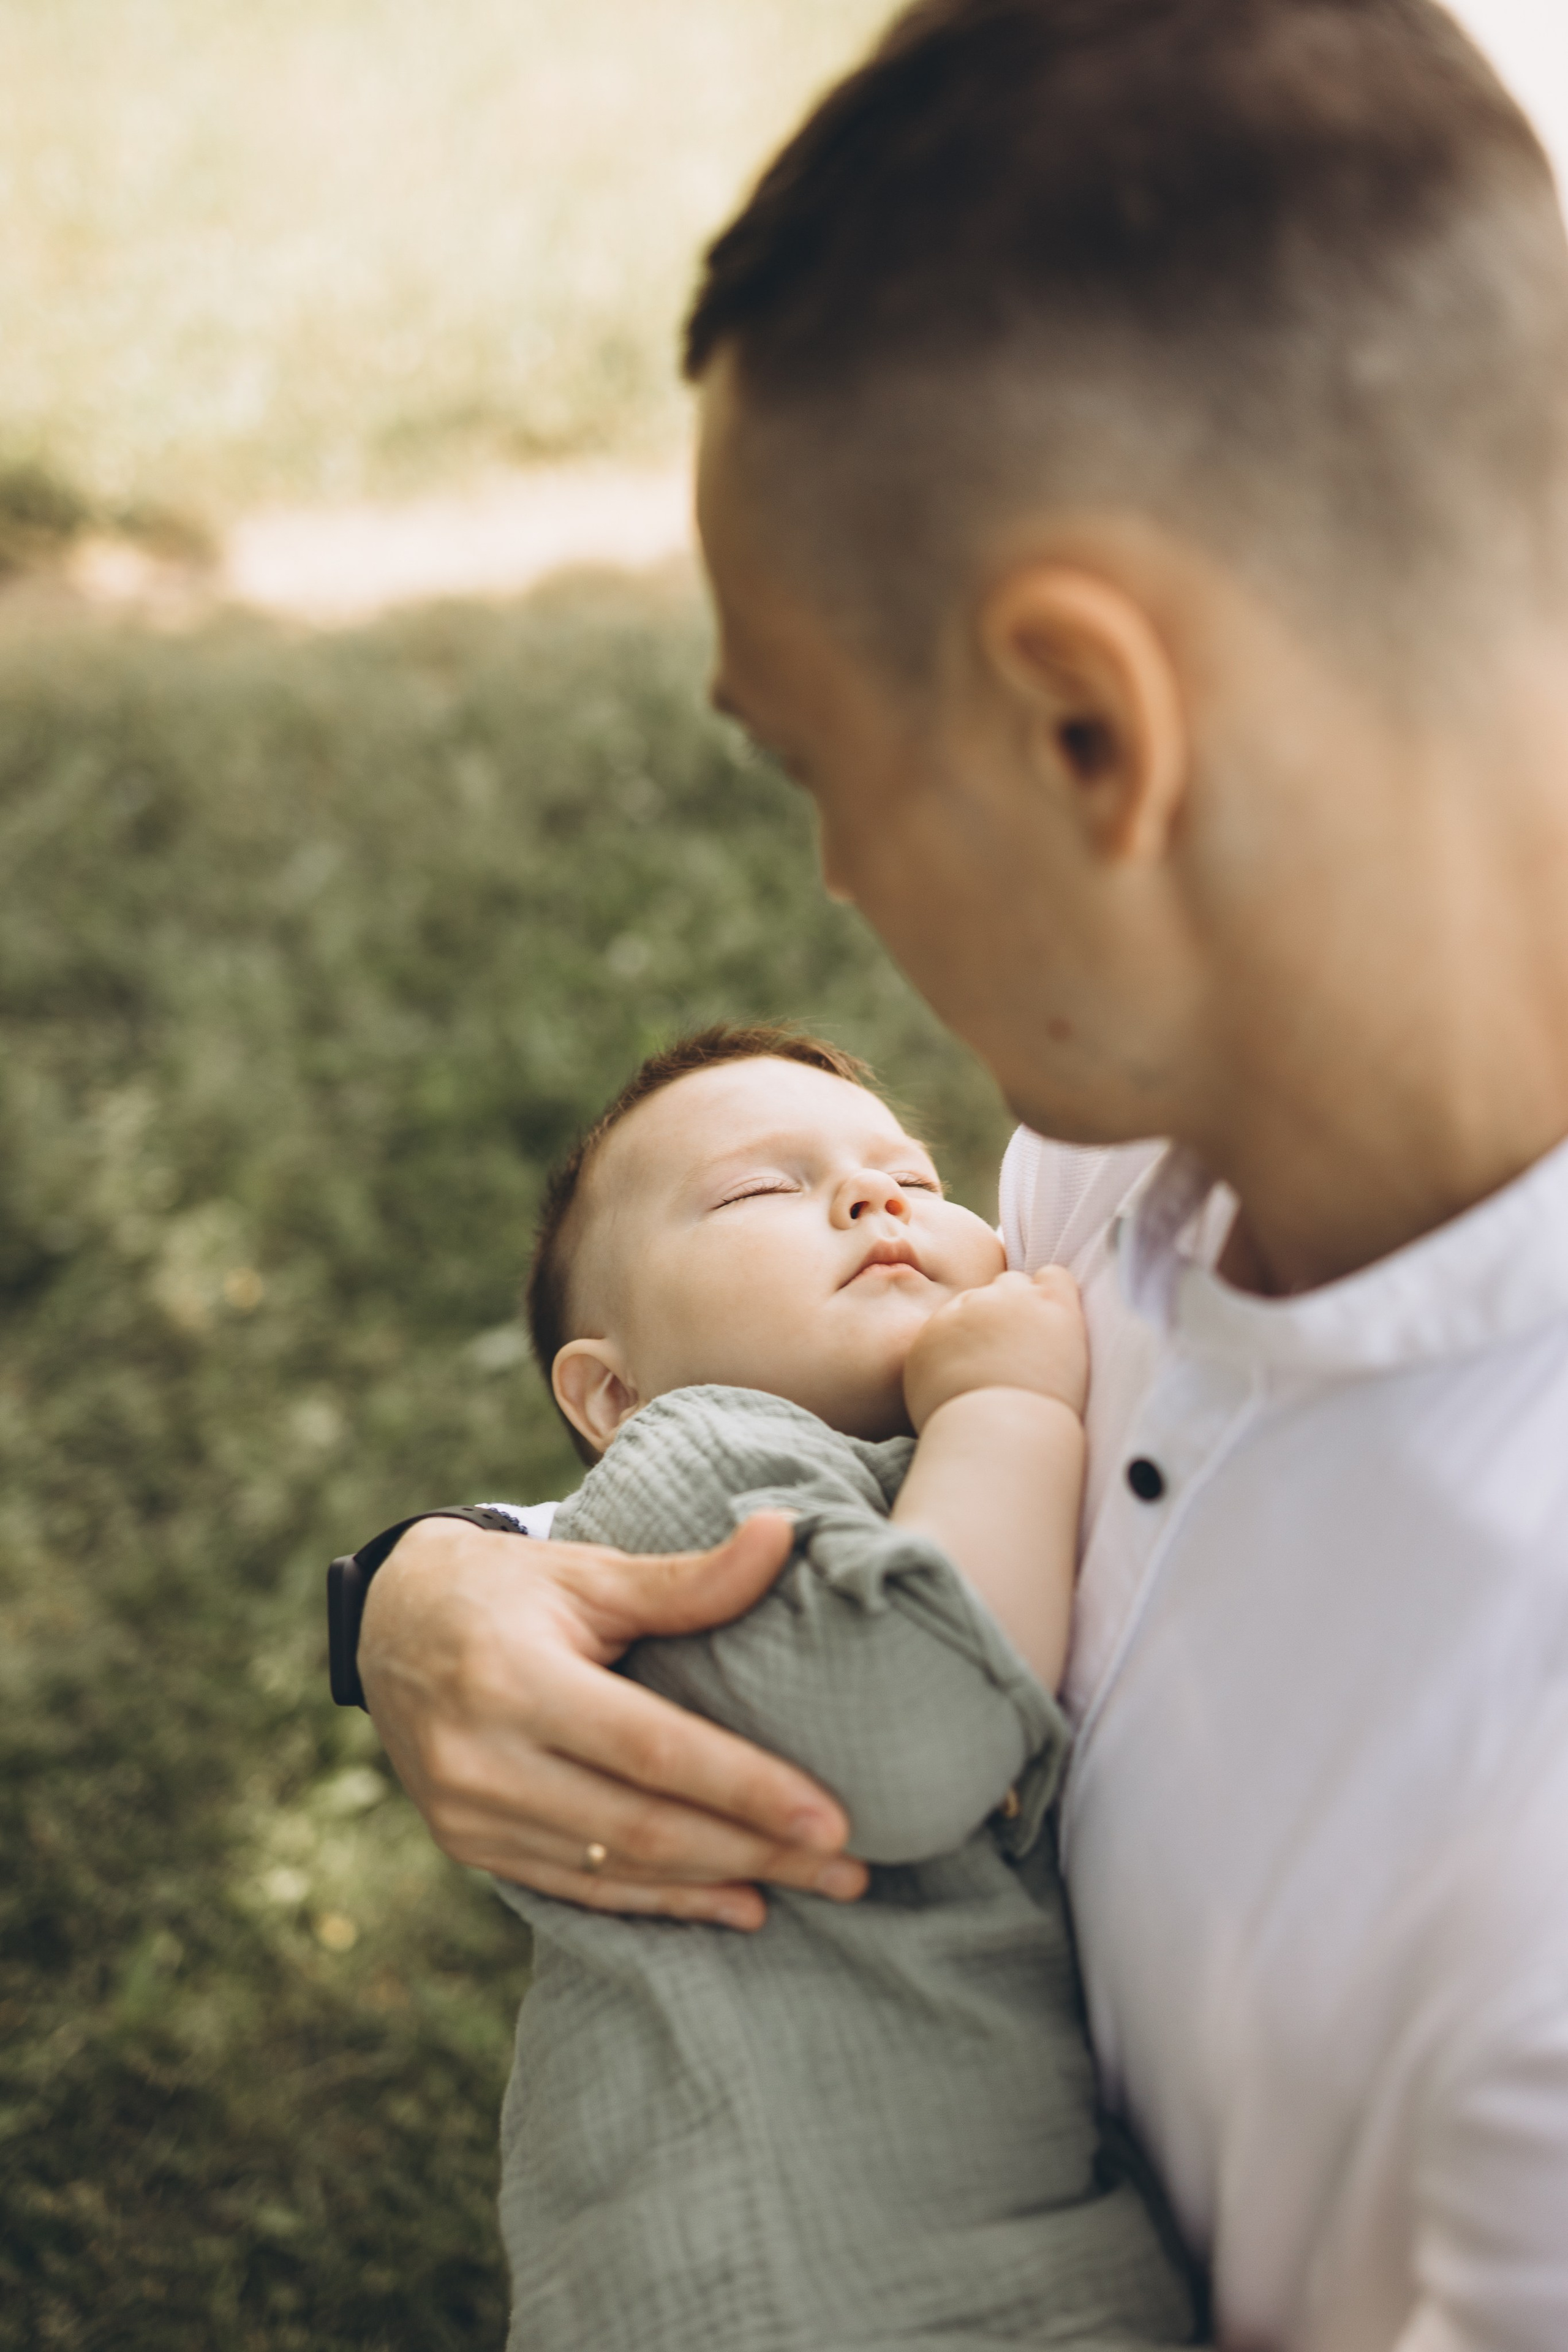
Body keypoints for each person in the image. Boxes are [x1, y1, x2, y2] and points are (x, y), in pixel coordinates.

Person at [341, 4, 1568, 2344]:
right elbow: (811, 1506)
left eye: (817, 761)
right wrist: (424, 1597)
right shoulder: (1115, 1166)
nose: (829, 884)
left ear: (1091, 729)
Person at [492, 1020, 1199, 2351]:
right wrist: (1008, 1408)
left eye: (918, 1183)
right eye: (763, 1189)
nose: (877, 1199)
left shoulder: (905, 1470)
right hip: (776, 2281)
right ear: (612, 1391)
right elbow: (913, 1731)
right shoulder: (688, 1468)